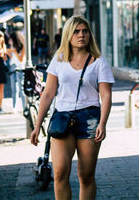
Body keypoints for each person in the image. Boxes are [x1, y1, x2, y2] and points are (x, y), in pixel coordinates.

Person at [30, 15, 114, 199]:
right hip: (62, 118)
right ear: (68, 34)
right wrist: (37, 126)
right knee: (60, 173)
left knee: (86, 176)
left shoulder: (99, 62)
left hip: (90, 119)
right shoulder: (58, 60)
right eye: (76, 31)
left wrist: (103, 123)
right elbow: (48, 94)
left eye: (85, 31)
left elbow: (106, 95)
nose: (81, 35)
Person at [7, 31, 26, 113]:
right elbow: (11, 57)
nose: (9, 41)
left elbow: (21, 59)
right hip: (12, 67)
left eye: (10, 39)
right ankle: (14, 107)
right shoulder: (11, 47)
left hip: (20, 68)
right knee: (13, 88)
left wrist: (14, 52)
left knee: (21, 89)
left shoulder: (23, 47)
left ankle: (24, 106)